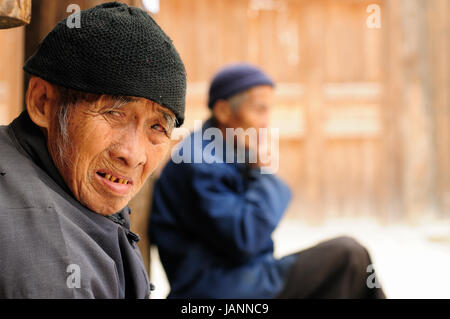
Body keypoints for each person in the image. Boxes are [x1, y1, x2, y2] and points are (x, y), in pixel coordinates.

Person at [150, 63, 385, 299]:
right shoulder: (199, 162)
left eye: (268, 112)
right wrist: (261, 172)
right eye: (259, 110)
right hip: (218, 290)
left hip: (240, 281)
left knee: (342, 274)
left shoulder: (221, 150)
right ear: (222, 111)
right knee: (350, 256)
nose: (265, 122)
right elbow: (246, 238)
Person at [0, 2, 186, 298]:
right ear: (42, 102)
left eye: (157, 127)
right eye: (113, 113)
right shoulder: (52, 264)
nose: (133, 154)